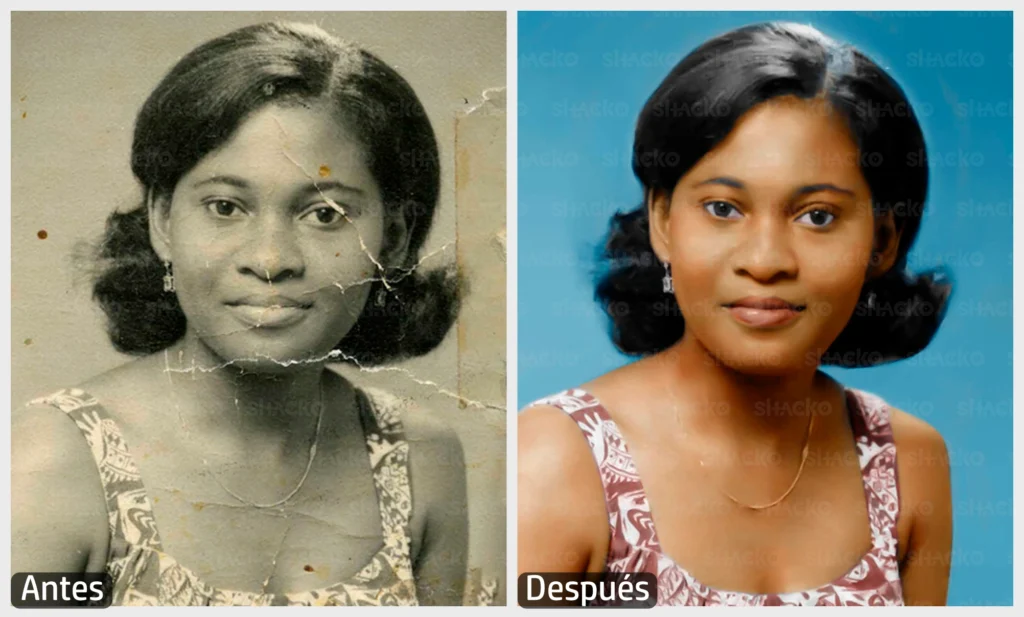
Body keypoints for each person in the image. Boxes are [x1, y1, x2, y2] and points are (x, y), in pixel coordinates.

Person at [12, 21, 476, 606]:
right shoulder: (54, 462)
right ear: (162, 221)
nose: (271, 260)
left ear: (394, 240)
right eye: (225, 207)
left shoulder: (418, 459)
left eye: (326, 214)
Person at [519, 22, 953, 606]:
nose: (765, 260)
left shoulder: (907, 464)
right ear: (664, 221)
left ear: (881, 242)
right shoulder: (557, 461)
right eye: (723, 208)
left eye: (818, 216)